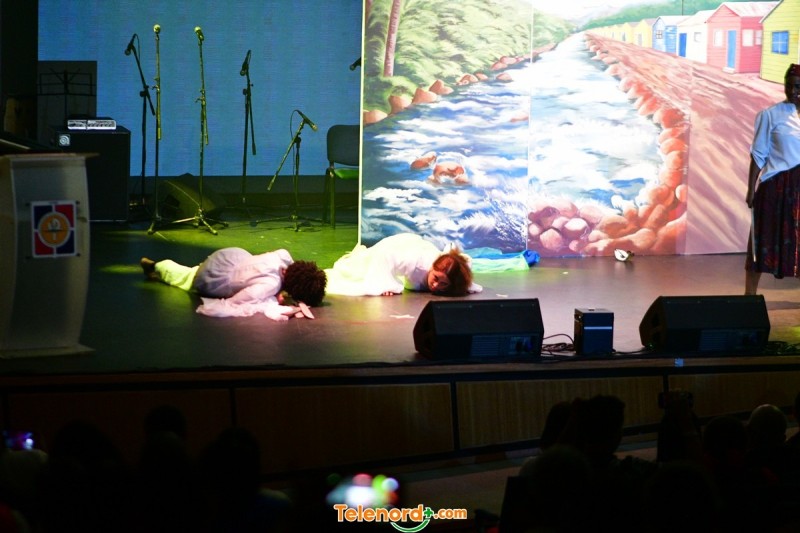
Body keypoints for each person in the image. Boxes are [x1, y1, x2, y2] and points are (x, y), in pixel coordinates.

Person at [140, 247, 326, 320]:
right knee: (187, 278)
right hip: (216, 276)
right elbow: (238, 299)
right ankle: (158, 266)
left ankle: (158, 266)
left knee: (190, 272)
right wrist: (274, 296)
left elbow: (282, 270)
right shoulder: (270, 285)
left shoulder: (284, 256)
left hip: (231, 256)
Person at [745, 63, 800, 295]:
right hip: (777, 186)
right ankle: (749, 296)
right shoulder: (771, 115)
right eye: (789, 86)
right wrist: (751, 189)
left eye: (797, 86)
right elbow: (759, 155)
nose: (793, 91)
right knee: (762, 240)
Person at [323, 233, 482, 296]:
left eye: (443, 284)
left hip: (414, 249)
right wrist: (386, 284)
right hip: (397, 246)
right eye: (435, 278)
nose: (435, 285)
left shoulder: (454, 274)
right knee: (352, 271)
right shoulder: (414, 262)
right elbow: (385, 255)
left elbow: (465, 265)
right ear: (432, 268)